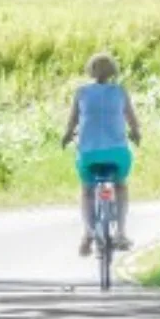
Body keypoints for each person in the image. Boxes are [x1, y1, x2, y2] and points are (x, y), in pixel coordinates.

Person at [63, 53, 142, 255]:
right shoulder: (120, 92)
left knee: (87, 191)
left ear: (90, 71)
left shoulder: (81, 93)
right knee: (121, 186)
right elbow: (132, 120)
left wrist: (67, 136)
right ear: (113, 71)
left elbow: (73, 121)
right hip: (117, 153)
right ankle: (121, 232)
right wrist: (135, 134)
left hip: (89, 153)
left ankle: (89, 232)